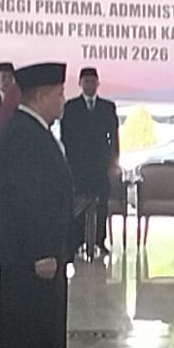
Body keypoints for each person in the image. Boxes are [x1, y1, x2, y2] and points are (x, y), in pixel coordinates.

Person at [0, 62, 75, 348]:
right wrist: (42, 250)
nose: (62, 101)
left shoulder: (31, 130)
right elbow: (24, 201)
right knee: (21, 335)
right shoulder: (23, 135)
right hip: (29, 256)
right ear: (41, 96)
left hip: (36, 253)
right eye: (59, 94)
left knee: (31, 332)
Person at [59, 67, 120, 256]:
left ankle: (99, 241)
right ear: (80, 84)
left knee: (101, 204)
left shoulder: (107, 107)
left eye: (93, 81)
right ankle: (78, 241)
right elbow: (66, 136)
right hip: (77, 165)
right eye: (86, 82)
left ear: (98, 84)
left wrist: (113, 161)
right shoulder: (71, 107)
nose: (90, 85)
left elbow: (114, 136)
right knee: (78, 204)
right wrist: (69, 161)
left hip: (101, 164)